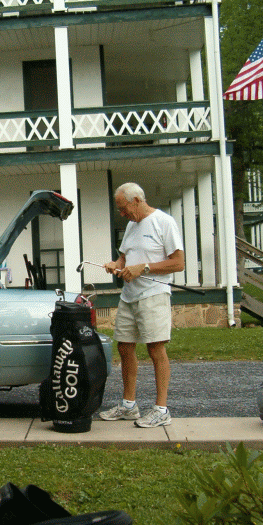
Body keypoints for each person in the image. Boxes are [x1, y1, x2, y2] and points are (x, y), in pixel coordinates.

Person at [99, 182, 184, 428]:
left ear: (136, 200)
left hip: (153, 294)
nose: (121, 213)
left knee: (156, 349)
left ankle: (161, 410)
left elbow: (179, 263)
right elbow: (124, 256)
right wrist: (116, 264)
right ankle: (129, 406)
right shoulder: (131, 225)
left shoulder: (164, 222)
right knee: (125, 347)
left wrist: (144, 268)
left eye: (123, 208)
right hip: (129, 295)